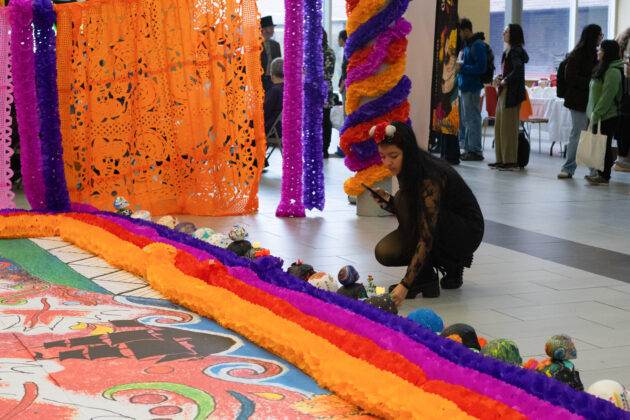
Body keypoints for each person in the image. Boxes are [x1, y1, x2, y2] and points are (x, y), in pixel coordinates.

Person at [370, 121, 484, 306]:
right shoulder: (407, 166)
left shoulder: (429, 175)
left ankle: (435, 271)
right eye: (383, 156)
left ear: (407, 152)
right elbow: (416, 214)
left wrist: (406, 284)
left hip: (466, 231)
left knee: (404, 199)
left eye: (393, 155)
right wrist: (389, 203)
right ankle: (431, 274)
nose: (387, 162)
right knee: (385, 251)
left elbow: (426, 233)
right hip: (440, 224)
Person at [557, 24, 603, 179]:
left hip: (591, 101)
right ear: (593, 36)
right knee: (578, 134)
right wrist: (590, 82)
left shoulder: (594, 54)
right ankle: (568, 167)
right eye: (599, 34)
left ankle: (592, 169)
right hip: (579, 101)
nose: (601, 38)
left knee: (590, 134)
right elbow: (570, 77)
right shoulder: (578, 55)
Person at [584, 40, 624, 185]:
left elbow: (608, 96)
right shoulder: (603, 68)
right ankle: (598, 172)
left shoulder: (613, 71)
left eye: (601, 50)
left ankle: (604, 175)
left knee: (604, 146)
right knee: (599, 145)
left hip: (607, 115)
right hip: (597, 114)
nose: (598, 52)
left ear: (607, 52)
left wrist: (597, 112)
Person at [489, 24, 528, 171]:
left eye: (506, 32)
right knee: (500, 127)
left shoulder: (515, 51)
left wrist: (505, 80)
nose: (503, 34)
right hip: (504, 92)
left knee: (508, 128)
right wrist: (502, 77)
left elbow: (518, 70)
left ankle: (510, 160)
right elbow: (512, 70)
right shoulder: (509, 51)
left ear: (513, 35)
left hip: (511, 93)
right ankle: (501, 159)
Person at [457, 18, 487, 161]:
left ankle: (476, 150)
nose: (459, 35)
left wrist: (462, 68)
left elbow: (481, 68)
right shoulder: (467, 45)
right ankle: (469, 149)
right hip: (465, 86)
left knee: (473, 119)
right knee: (466, 119)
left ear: (467, 30)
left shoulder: (478, 45)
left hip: (472, 87)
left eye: (461, 32)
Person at [613, 27, 630, 172]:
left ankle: (622, 158)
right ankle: (622, 158)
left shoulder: (620, 41)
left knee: (623, 125)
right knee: (625, 125)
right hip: (626, 89)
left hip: (622, 91)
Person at [322, 29, 336, 158]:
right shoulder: (313, 52)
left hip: (324, 90)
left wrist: (308, 73)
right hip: (313, 91)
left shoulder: (328, 53)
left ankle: (324, 148)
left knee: (325, 120)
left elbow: (327, 74)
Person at [335, 29, 348, 158]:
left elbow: (346, 71)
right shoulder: (347, 51)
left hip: (346, 87)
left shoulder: (347, 52)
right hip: (345, 86)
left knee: (346, 115)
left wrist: (341, 87)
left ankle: (345, 147)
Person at [260, 16, 281, 93]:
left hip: (274, 79)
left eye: (273, 29)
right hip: (260, 80)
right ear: (264, 29)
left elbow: (278, 62)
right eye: (271, 28)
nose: (273, 31)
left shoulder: (276, 45)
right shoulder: (255, 45)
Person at [264, 58, 284, 137]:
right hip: (283, 128)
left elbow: (264, 112)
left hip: (273, 130)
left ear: (271, 72)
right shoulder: (288, 89)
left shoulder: (275, 91)